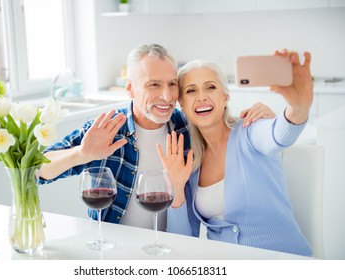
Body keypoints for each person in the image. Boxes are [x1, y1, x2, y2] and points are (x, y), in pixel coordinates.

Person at [39, 43, 274, 231]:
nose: (166, 96)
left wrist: (262, 116)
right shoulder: (107, 130)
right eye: (154, 84)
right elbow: (37, 170)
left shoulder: (186, 126)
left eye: (172, 84)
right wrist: (81, 154)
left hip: (168, 248)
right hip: (110, 249)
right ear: (130, 88)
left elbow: (224, 127)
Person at [157, 49, 313, 256]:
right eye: (191, 91)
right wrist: (176, 188)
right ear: (182, 104)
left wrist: (298, 108)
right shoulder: (189, 163)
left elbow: (278, 135)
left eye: (210, 87)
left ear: (225, 97)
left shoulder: (250, 130)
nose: (202, 97)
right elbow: (183, 241)